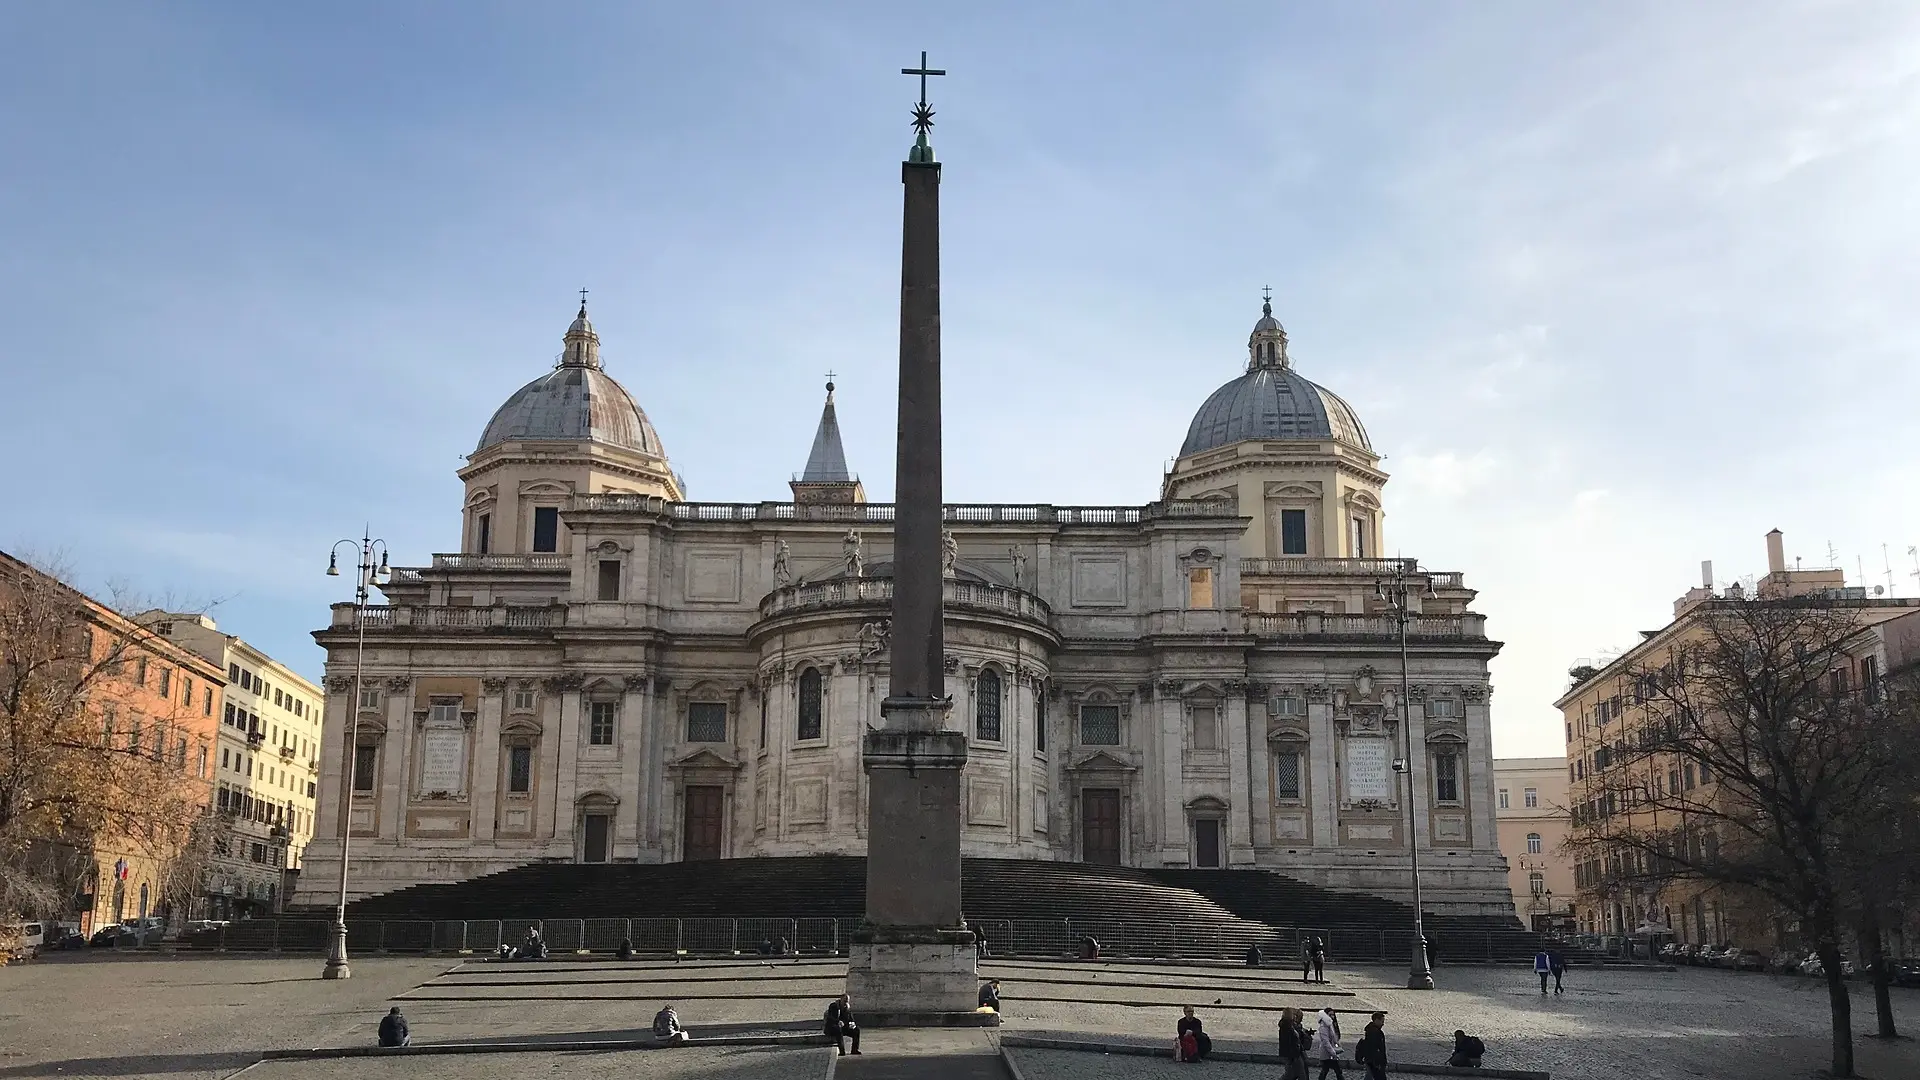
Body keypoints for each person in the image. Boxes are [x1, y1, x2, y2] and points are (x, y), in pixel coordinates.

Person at [1277, 1008, 1311, 1080]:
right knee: (1299, 1074)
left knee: (1293, 1074)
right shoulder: (1286, 1026)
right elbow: (1288, 1042)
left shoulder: (1291, 1026)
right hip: (1293, 1054)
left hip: (1296, 1053)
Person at [1312, 1006, 1345, 1079]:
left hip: (1330, 1052)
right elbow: (1325, 1041)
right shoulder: (1324, 1027)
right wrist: (1333, 1052)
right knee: (1337, 1070)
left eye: (1333, 1015)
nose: (1332, 1016)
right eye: (1330, 1015)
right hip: (1327, 1052)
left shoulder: (1331, 1025)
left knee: (1326, 1070)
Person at [1356, 1012, 1387, 1080]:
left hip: (1372, 1061)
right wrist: (1379, 1062)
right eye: (1382, 1021)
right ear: (1376, 1020)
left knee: (1370, 1076)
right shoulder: (1374, 1032)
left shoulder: (1371, 1030)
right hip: (1374, 1061)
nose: (1383, 1023)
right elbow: (1374, 1048)